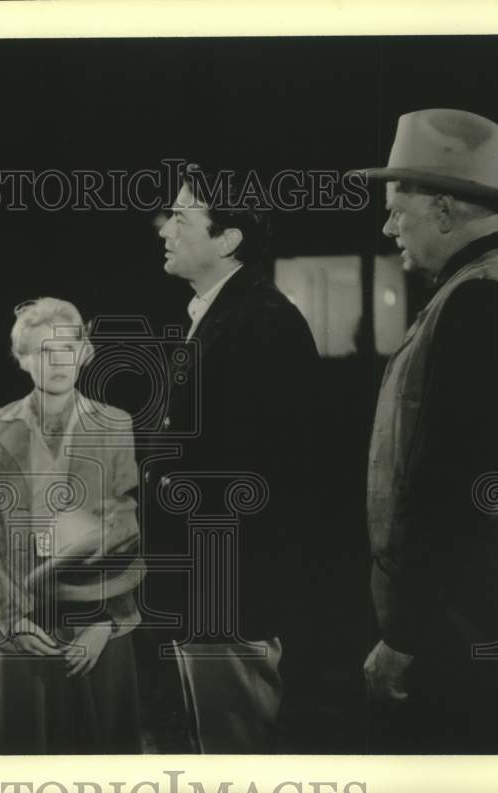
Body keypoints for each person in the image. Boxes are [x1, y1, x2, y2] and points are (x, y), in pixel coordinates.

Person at [351, 108, 498, 752]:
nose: (389, 224)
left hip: (465, 611)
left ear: (447, 211)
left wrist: (404, 636)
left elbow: (448, 484)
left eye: (400, 207)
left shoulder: (477, 302)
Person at [145, 163, 319, 753]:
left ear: (228, 238)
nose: (163, 227)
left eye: (181, 216)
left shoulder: (262, 322)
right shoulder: (222, 313)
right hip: (206, 587)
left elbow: (267, 475)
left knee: (236, 753)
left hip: (230, 592)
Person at [0, 297, 143, 754]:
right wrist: (13, 621)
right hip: (19, 619)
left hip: (95, 616)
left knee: (97, 758)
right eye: (43, 351)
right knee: (21, 758)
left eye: (67, 348)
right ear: (22, 360)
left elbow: (126, 533)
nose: (57, 362)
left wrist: (108, 622)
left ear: (84, 353)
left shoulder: (115, 423)